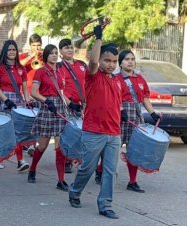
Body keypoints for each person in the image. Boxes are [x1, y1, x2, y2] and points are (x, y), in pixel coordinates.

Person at [68, 25, 123, 219]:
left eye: (114, 61)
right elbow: (91, 62)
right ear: (100, 60)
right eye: (107, 60)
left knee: (111, 172)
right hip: (93, 132)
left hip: (114, 134)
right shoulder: (92, 76)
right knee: (87, 168)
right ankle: (75, 191)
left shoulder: (117, 80)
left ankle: (105, 205)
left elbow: (115, 103)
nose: (111, 64)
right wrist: (98, 38)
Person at [117, 50, 161, 193]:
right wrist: (121, 110)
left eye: (132, 59)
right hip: (119, 115)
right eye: (127, 59)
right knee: (113, 147)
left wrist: (153, 113)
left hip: (136, 115)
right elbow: (114, 98)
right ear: (121, 63)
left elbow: (145, 99)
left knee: (133, 148)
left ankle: (132, 181)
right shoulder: (115, 78)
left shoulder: (140, 79)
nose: (130, 61)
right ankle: (100, 170)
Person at [27, 44, 69, 192]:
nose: (54, 55)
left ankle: (61, 180)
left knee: (60, 146)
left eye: (56, 53)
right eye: (51, 53)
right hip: (47, 107)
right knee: (43, 146)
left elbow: (62, 92)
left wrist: (71, 104)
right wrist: (46, 101)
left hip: (60, 108)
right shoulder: (40, 72)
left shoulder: (61, 72)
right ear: (46, 55)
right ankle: (32, 169)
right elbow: (33, 92)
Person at [0, 39, 31, 172]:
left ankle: (20, 161)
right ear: (5, 52)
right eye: (9, 50)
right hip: (3, 100)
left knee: (16, 131)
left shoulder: (21, 68)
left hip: (18, 101)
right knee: (3, 131)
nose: (12, 52)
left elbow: (24, 87)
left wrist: (27, 101)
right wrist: (5, 99)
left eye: (14, 50)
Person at [58, 38, 87, 173]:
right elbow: (58, 88)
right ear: (60, 51)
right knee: (69, 133)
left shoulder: (82, 64)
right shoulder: (58, 67)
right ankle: (66, 161)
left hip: (83, 104)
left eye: (70, 47)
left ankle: (78, 158)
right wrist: (69, 102)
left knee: (82, 133)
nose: (69, 50)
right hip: (67, 104)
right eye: (65, 48)